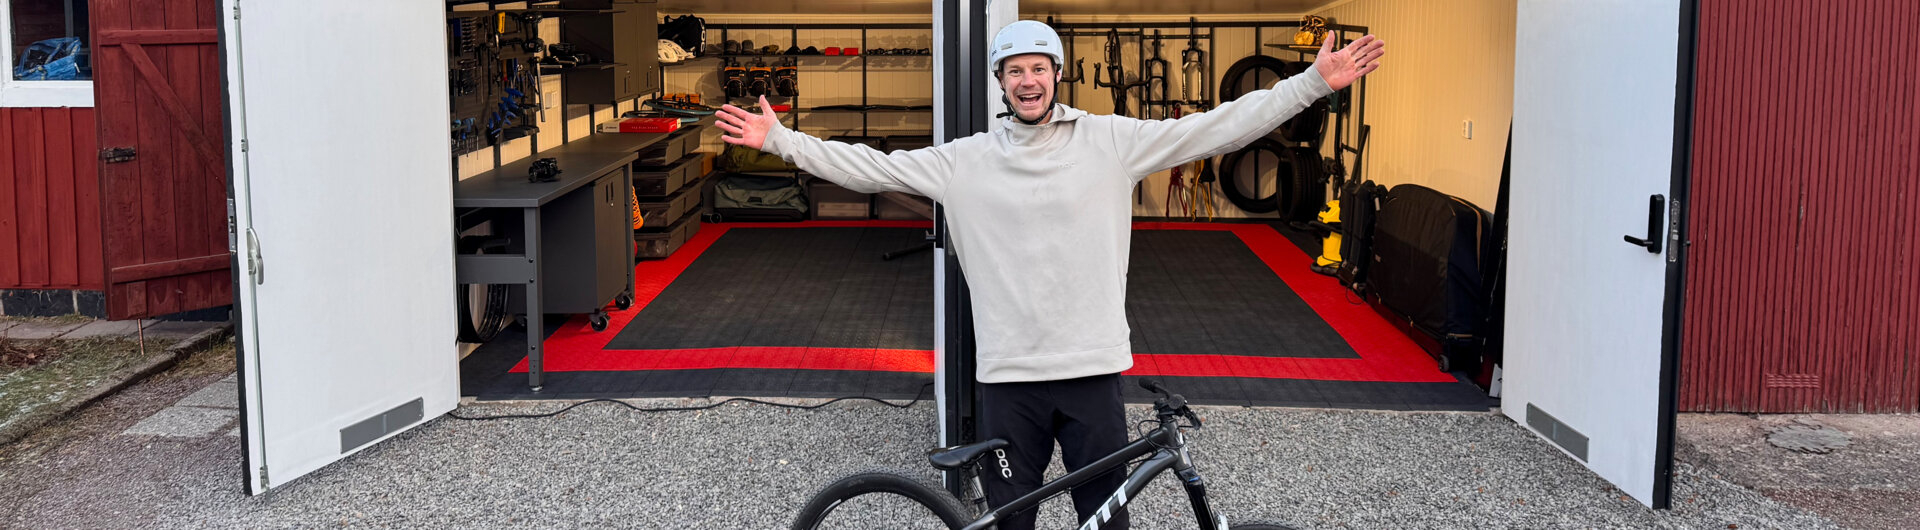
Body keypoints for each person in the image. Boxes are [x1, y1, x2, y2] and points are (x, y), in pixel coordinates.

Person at [717, 20, 1383, 530]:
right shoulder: (964, 161)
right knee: (1013, 522)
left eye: (1039, 68)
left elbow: (1216, 129)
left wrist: (1310, 84)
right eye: (1015, 71)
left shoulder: (1110, 141)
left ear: (1057, 74)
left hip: (1093, 371)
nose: (1028, 81)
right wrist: (781, 141)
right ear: (1000, 81)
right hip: (1008, 379)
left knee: (1106, 519)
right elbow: (869, 168)